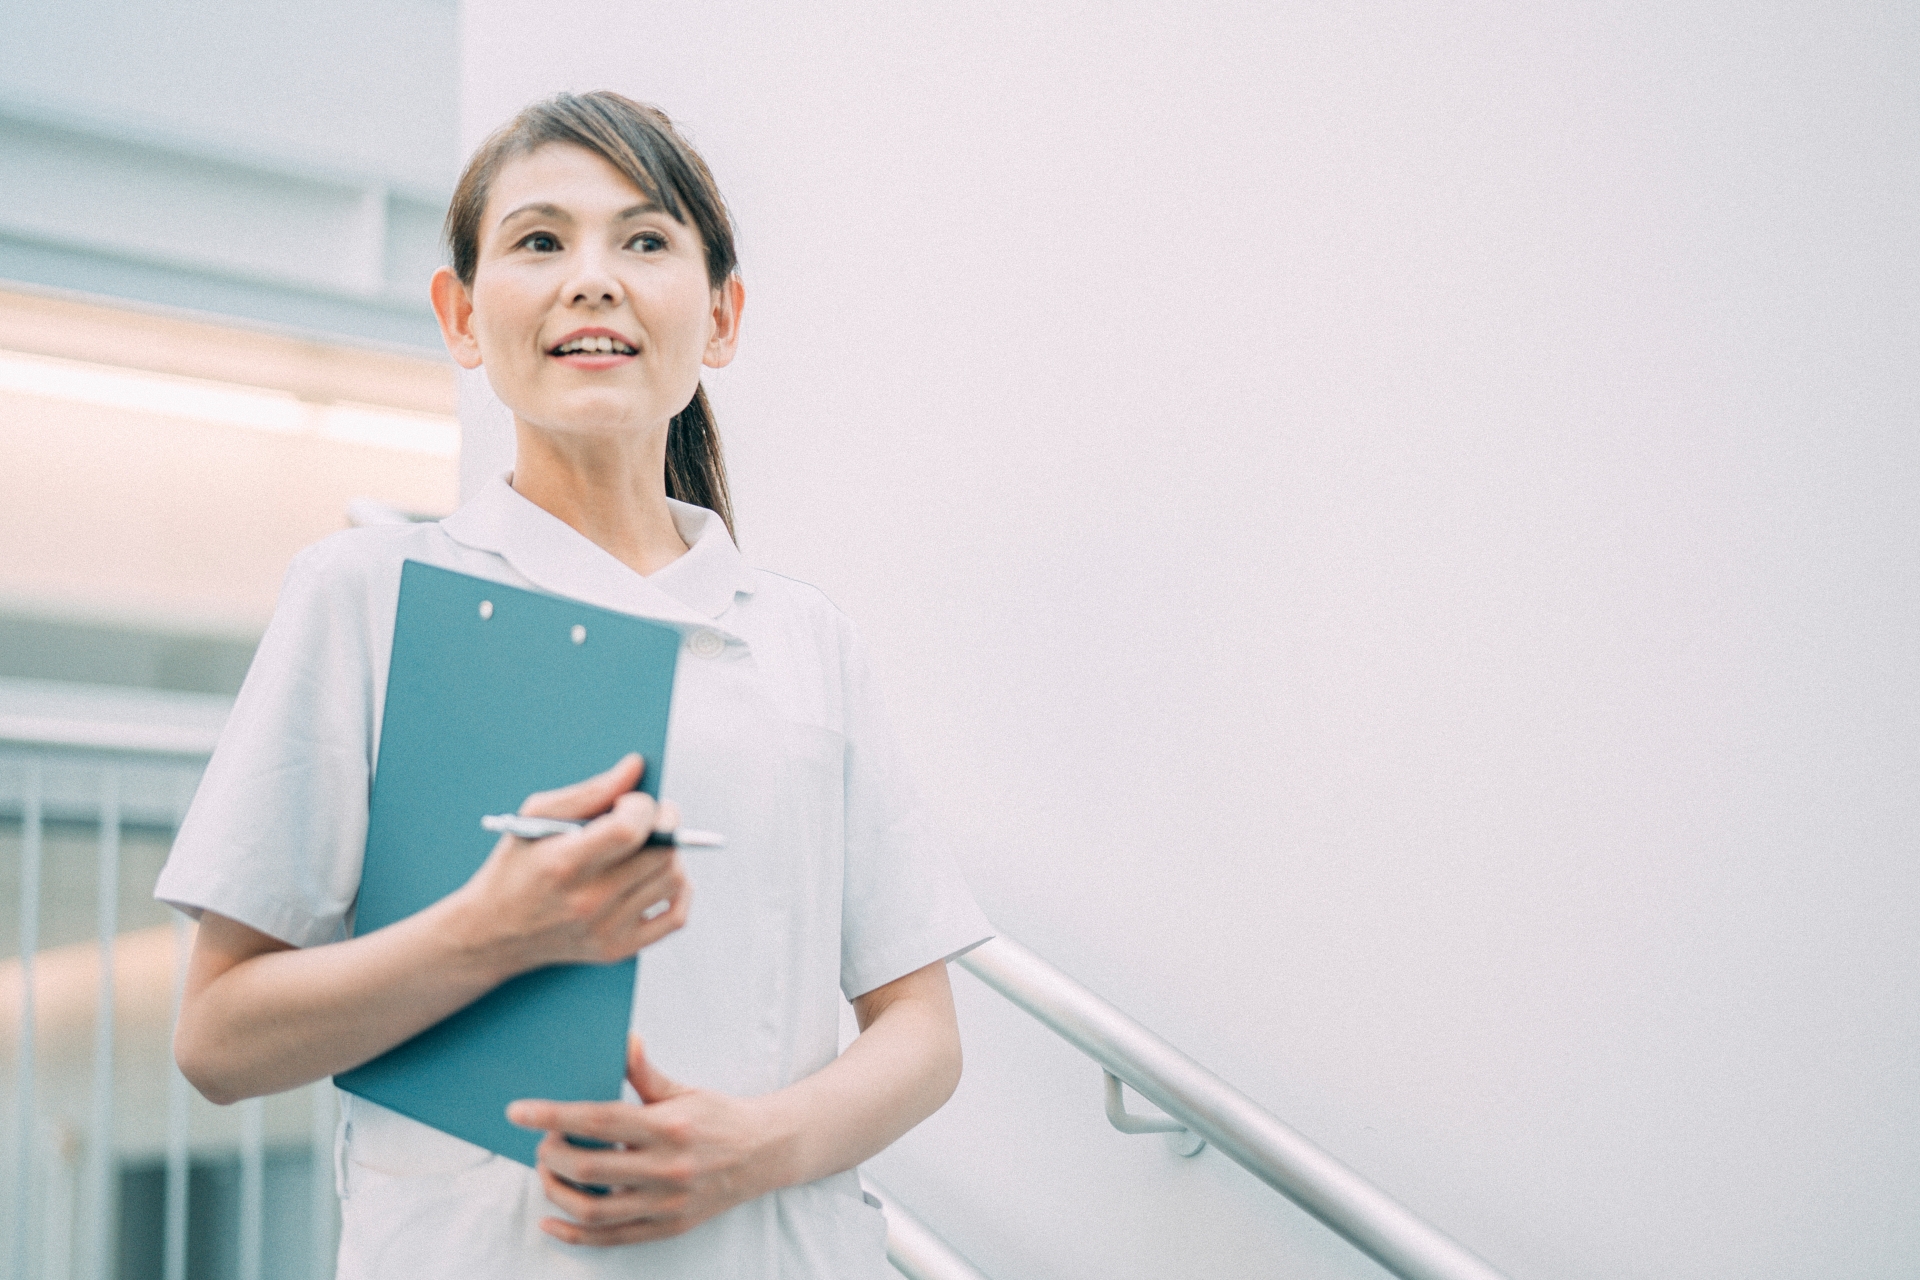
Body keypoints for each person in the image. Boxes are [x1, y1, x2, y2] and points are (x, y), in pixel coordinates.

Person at [154, 90, 992, 1278]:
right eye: (539, 240)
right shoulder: (367, 595)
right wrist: (490, 932)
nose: (592, 278)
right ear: (460, 314)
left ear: (721, 317)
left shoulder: (809, 641)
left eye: (645, 240)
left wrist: (747, 1147)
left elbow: (923, 1031)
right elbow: (218, 1037)